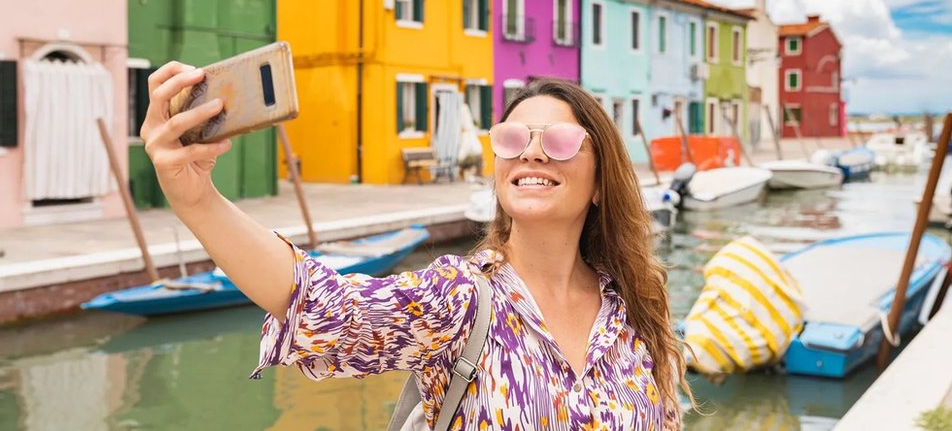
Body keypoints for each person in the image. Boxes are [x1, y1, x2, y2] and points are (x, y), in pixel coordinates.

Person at [142, 65, 687, 430]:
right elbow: (316, 302)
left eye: (563, 141)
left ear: (599, 182)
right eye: (514, 140)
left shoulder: (634, 316)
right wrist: (197, 199)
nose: (534, 155)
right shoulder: (461, 300)